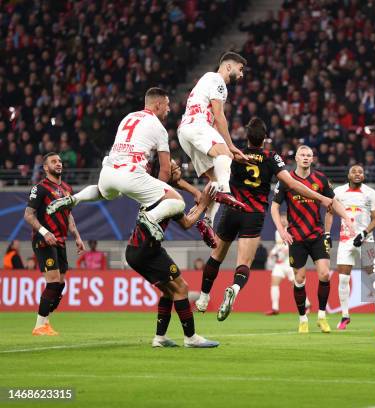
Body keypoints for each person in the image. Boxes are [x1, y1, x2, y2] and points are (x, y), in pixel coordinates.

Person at [194, 119, 338, 321]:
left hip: (231, 210)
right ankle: (234, 288)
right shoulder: (271, 157)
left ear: (247, 137)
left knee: (216, 255)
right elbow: (292, 184)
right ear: (264, 138)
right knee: (244, 263)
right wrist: (320, 197)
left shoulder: (234, 153)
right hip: (253, 215)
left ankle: (203, 297)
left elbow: (214, 172)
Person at [46, 88, 185, 242]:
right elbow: (165, 170)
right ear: (158, 105)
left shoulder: (128, 118)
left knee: (104, 192)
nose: (169, 109)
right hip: (131, 174)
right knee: (178, 202)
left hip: (109, 171)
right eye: (167, 104)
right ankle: (151, 218)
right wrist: (156, 197)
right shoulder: (159, 128)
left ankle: (74, 199)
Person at [125, 168, 218, 348]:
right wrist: (204, 204)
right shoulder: (167, 197)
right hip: (148, 250)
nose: (178, 169)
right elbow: (187, 223)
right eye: (174, 167)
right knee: (181, 288)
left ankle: (160, 338)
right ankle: (190, 338)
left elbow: (183, 214)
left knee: (169, 291)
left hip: (137, 250)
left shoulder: (152, 191)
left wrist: (194, 194)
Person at [271, 145, 354, 334]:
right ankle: (302, 319)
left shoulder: (321, 179)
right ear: (296, 158)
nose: (306, 158)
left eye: (309, 155)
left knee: (324, 274)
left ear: (312, 158)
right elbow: (274, 207)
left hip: (316, 235)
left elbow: (333, 203)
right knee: (299, 279)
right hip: (296, 237)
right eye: (303, 155)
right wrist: (282, 230)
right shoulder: (286, 179)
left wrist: (347, 219)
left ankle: (322, 317)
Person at [178, 51, 252, 247]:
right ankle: (226, 192)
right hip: (197, 125)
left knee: (215, 179)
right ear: (229, 66)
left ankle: (207, 221)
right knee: (226, 156)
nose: (242, 74)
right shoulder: (218, 80)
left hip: (186, 131)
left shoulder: (207, 81)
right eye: (240, 69)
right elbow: (219, 116)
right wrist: (230, 146)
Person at [24, 152, 84, 336]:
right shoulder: (40, 188)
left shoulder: (67, 188)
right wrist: (44, 231)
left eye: (59, 161)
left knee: (60, 285)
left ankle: (46, 322)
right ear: (45, 167)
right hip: (44, 240)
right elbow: (28, 214)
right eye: (53, 161)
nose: (58, 164)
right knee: (52, 283)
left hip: (60, 241)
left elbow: (69, 215)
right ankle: (39, 325)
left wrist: (77, 235)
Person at [325, 165, 375, 331]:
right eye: (354, 171)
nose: (358, 174)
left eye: (361, 172)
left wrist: (364, 233)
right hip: (346, 240)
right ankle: (345, 316)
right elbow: (330, 213)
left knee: (374, 277)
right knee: (343, 279)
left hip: (366, 240)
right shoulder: (338, 192)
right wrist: (327, 233)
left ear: (364, 176)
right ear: (348, 175)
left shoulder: (371, 193)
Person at [265, 214, 311, 315]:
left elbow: (291, 246)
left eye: (284, 218)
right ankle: (275, 308)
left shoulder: (292, 230)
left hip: (289, 262)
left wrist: (284, 251)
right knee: (274, 282)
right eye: (280, 218)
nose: (282, 220)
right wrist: (272, 252)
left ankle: (306, 303)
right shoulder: (278, 232)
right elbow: (279, 245)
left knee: (296, 284)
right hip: (280, 263)